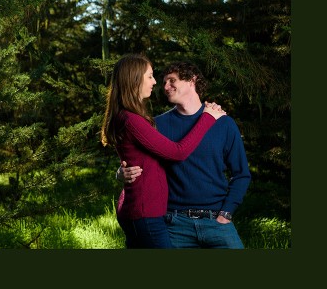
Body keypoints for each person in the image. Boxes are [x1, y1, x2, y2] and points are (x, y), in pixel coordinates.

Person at [119, 61, 251, 248]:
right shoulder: (157, 125)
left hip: (217, 221)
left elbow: (241, 174)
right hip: (174, 223)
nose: (165, 87)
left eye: (172, 80)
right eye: (163, 82)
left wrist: (227, 212)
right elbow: (140, 162)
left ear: (192, 80)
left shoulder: (223, 123)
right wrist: (121, 172)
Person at [101, 54, 226, 249]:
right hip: (145, 213)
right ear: (134, 79)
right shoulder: (132, 120)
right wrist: (208, 117)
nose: (155, 82)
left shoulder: (128, 116)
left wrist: (120, 172)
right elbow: (178, 153)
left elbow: (135, 156)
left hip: (139, 209)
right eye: (150, 76)